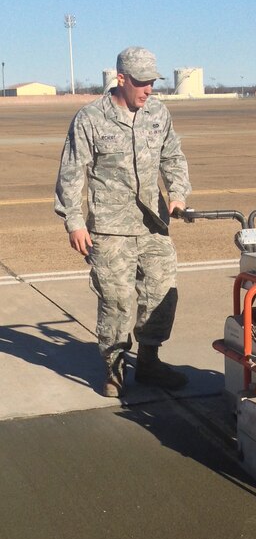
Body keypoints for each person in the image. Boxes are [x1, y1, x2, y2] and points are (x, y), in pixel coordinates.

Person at [55, 46, 192, 397]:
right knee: (115, 301)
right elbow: (72, 173)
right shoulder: (90, 118)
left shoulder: (159, 114)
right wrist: (74, 221)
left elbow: (172, 155)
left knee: (162, 294)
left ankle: (148, 360)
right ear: (121, 78)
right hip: (109, 227)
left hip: (153, 224)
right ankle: (114, 369)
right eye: (142, 82)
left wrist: (177, 193)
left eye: (153, 82)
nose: (149, 89)